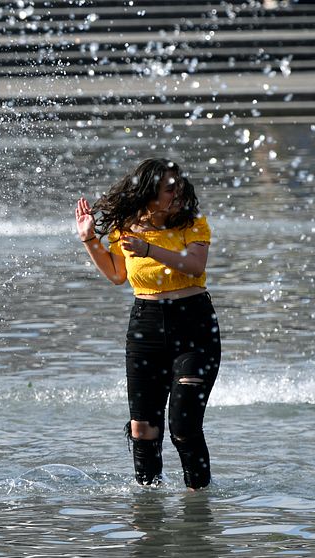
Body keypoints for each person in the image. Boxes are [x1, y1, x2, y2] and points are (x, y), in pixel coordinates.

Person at [74, 158, 221, 490]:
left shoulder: (191, 222)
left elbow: (194, 266)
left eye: (180, 186)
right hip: (146, 324)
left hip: (194, 325)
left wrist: (149, 249)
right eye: (170, 188)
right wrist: (88, 240)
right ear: (149, 194)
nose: (178, 192)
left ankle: (198, 504)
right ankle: (148, 504)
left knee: (183, 426)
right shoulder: (126, 226)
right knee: (143, 428)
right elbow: (116, 275)